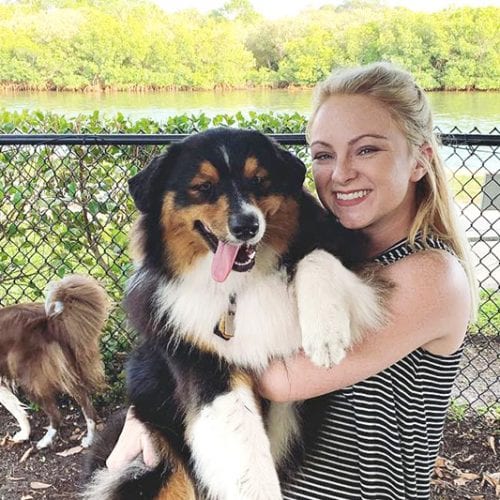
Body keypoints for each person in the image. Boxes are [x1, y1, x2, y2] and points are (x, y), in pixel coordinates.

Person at [106, 62, 478, 500]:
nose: (340, 173)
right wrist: (150, 406)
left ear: (419, 160)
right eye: (323, 154)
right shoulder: (339, 250)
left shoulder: (433, 276)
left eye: (367, 150)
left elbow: (280, 379)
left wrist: (175, 368)